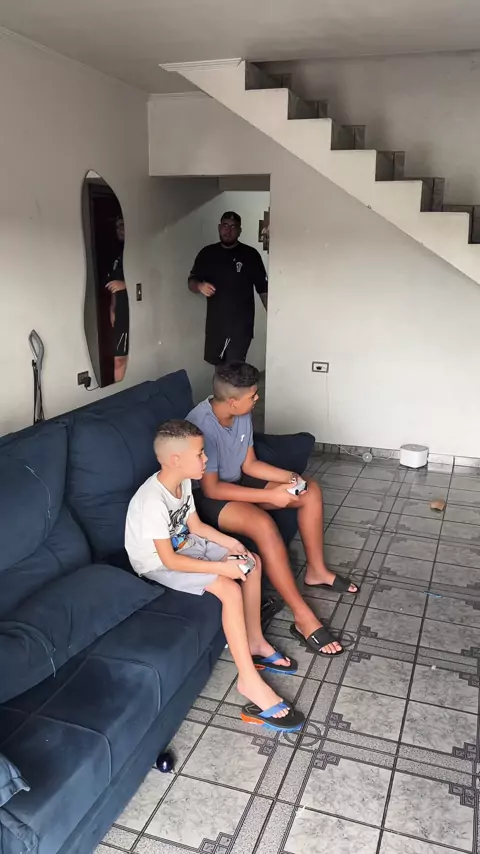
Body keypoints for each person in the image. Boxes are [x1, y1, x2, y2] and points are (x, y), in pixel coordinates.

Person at [125, 418, 304, 733]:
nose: (206, 459)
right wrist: (222, 567)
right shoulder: (152, 500)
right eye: (199, 454)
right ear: (175, 460)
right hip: (158, 563)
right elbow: (169, 559)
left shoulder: (183, 482)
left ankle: (255, 642)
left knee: (252, 562)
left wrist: (232, 545)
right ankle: (249, 681)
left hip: (186, 544)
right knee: (228, 588)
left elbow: (195, 527)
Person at [187, 363, 359, 657]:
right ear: (232, 401)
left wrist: (290, 478)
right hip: (208, 497)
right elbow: (213, 489)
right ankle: (303, 616)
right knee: (263, 524)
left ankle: (316, 571)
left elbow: (250, 464)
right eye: (252, 396)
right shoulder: (201, 426)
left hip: (237, 480)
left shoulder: (241, 413)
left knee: (309, 490)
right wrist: (269, 496)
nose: (257, 399)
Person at [188, 211, 268, 365]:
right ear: (219, 227)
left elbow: (263, 289)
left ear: (239, 231)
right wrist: (200, 286)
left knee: (233, 369)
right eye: (225, 225)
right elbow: (191, 281)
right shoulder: (207, 253)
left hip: (240, 328)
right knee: (219, 369)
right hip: (216, 327)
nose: (228, 230)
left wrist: (275, 319)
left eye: (233, 227)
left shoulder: (250, 255)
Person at [105, 216, 129, 383]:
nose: (119, 230)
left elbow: (145, 280)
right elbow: (113, 285)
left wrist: (125, 285)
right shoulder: (117, 257)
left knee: (120, 358)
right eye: (117, 227)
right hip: (120, 310)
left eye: (122, 225)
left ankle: (122, 389)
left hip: (131, 311)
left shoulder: (135, 253)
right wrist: (112, 307)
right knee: (118, 356)